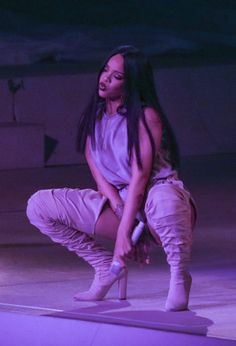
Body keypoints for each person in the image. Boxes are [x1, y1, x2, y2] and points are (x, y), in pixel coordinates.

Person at [26, 45, 196, 311]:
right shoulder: (93, 118)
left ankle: (179, 275)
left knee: (164, 201)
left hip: (156, 201)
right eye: (105, 70)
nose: (105, 78)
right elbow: (101, 180)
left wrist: (123, 235)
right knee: (39, 205)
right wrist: (122, 219)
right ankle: (105, 267)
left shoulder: (146, 116)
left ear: (132, 83)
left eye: (116, 76)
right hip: (121, 203)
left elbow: (141, 179)